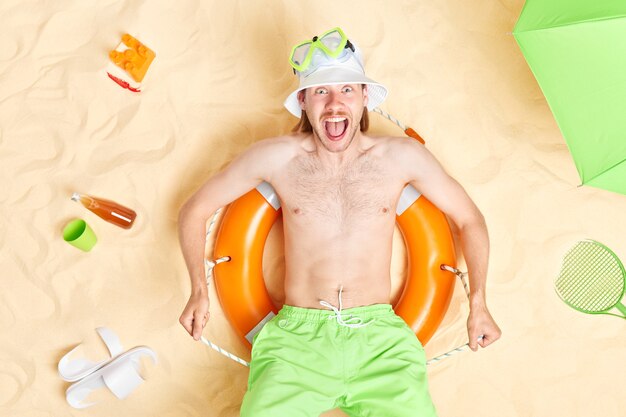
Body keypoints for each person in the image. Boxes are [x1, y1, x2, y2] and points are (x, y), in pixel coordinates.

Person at [178, 27, 501, 417]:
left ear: (365, 97)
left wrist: (479, 302)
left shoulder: (401, 158)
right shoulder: (275, 158)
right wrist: (199, 289)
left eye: (347, 90)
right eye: (321, 92)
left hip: (380, 340)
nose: (334, 104)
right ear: (303, 101)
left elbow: (471, 220)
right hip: (297, 342)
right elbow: (194, 211)